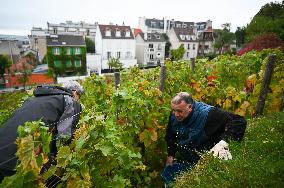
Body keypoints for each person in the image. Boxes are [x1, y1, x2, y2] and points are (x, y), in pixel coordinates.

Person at [0, 81, 84, 182]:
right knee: (50, 179)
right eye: (79, 97)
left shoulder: (34, 99)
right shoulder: (71, 101)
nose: (78, 100)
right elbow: (64, 136)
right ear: (74, 92)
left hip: (3, 146)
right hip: (21, 160)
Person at [162, 92, 246, 185]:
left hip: (205, 161)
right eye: (173, 110)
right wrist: (171, 155)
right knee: (168, 174)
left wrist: (224, 142)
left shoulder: (209, 114)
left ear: (190, 107)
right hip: (187, 158)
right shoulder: (175, 114)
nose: (176, 114)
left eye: (179, 111)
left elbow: (239, 121)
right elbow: (171, 134)